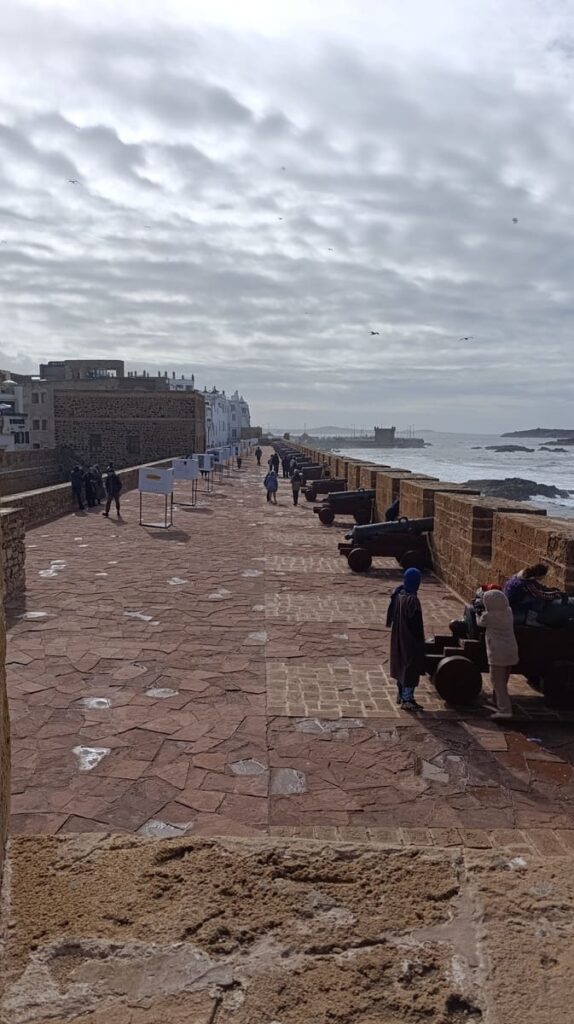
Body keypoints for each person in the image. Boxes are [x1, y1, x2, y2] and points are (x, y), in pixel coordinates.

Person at [387, 568, 426, 711]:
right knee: (410, 667)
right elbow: (415, 624)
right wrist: (419, 643)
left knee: (401, 665)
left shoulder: (399, 594)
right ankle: (407, 699)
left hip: (399, 635)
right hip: (409, 639)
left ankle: (401, 694)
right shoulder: (412, 600)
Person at [478, 588, 518, 719]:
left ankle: (505, 710)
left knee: (497, 681)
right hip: (510, 652)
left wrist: (478, 612)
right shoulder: (508, 612)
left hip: (498, 654)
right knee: (503, 680)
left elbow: (479, 622)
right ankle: (497, 700)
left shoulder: (488, 616)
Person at [503, 563, 574, 627]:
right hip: (517, 601)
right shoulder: (527, 583)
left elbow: (539, 587)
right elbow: (540, 595)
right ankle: (531, 619)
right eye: (543, 576)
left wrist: (550, 590)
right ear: (539, 575)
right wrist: (555, 595)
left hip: (516, 595)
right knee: (538, 600)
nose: (543, 578)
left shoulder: (527, 574)